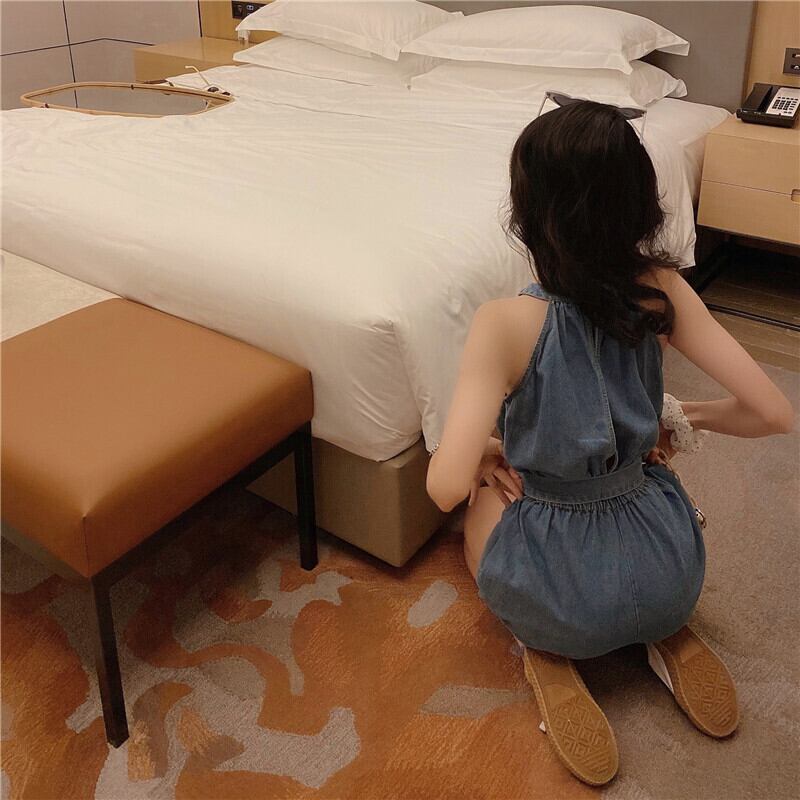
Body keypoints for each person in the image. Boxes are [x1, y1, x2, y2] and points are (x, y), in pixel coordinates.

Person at [426, 100, 794, 787]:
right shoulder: (661, 291)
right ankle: (662, 628)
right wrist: (677, 418)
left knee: (479, 504)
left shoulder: (503, 322)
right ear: (638, 203)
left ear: (529, 212)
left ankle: (544, 647)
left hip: (558, 590)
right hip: (672, 571)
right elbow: (774, 414)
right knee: (636, 518)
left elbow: (443, 486)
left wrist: (482, 457)